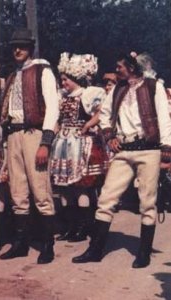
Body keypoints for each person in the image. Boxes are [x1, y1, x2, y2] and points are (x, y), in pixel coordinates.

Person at [72, 53, 171, 268]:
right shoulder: (118, 88)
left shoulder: (154, 87)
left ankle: (143, 253)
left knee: (147, 202)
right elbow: (105, 113)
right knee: (107, 198)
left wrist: (167, 148)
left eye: (119, 67)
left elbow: (164, 116)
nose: (116, 70)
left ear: (132, 67)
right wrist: (109, 136)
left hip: (149, 150)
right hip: (124, 150)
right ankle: (95, 249)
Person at [0, 28, 60, 264]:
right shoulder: (13, 75)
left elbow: (52, 107)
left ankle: (47, 245)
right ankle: (21, 243)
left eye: (22, 46)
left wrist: (45, 142)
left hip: (34, 133)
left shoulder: (42, 71)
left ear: (30, 48)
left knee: (40, 190)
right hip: (14, 135)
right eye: (15, 46)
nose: (17, 49)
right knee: (18, 191)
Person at [50, 53, 109, 242]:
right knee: (65, 188)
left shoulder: (88, 94)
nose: (63, 83)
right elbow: (58, 119)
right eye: (62, 80)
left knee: (81, 187)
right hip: (64, 145)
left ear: (75, 78)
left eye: (66, 79)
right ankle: (71, 225)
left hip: (81, 145)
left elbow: (102, 112)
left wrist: (88, 125)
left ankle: (84, 226)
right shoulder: (63, 97)